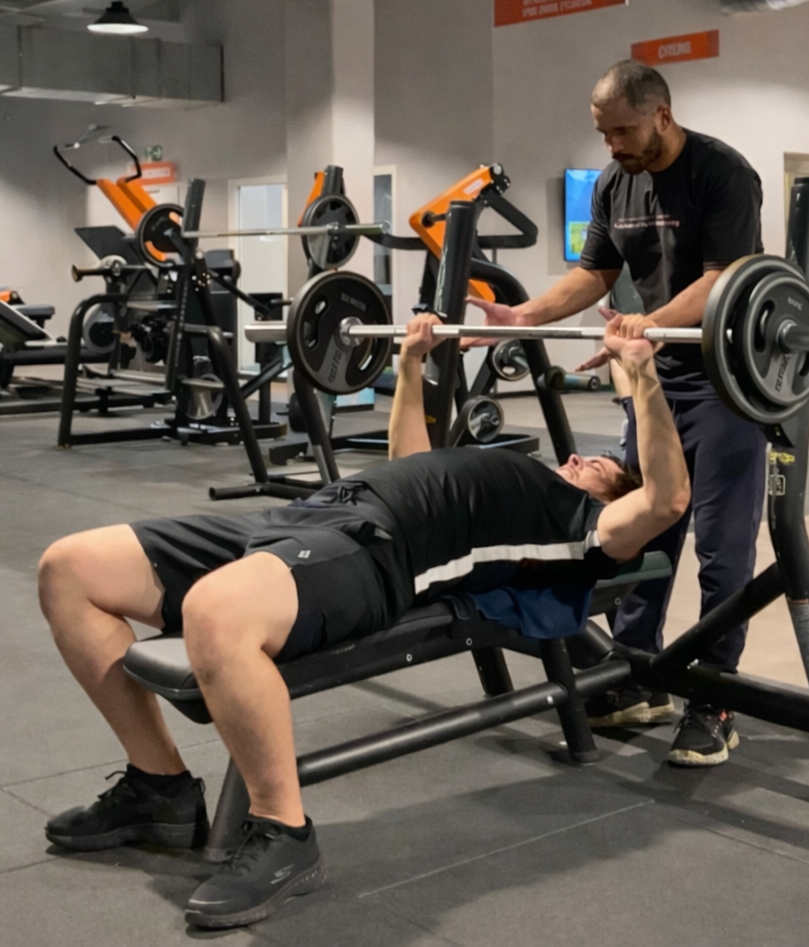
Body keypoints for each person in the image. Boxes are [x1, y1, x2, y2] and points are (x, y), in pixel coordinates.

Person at [37, 314, 689, 930]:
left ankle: (284, 833)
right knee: (68, 568)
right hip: (299, 519)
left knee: (216, 611)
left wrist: (644, 377)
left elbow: (668, 499)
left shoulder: (575, 529)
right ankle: (160, 791)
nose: (580, 459)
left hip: (372, 553)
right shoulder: (511, 471)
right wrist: (409, 367)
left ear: (609, 503)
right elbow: (408, 459)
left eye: (600, 469)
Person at [467, 59, 767, 768]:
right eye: (604, 135)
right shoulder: (613, 181)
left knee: (724, 552)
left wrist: (644, 326)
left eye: (623, 131)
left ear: (661, 113)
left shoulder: (723, 173)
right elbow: (596, 272)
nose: (613, 147)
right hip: (654, 378)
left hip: (725, 382)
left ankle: (712, 697)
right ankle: (638, 675)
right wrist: (524, 316)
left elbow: (723, 277)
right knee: (646, 529)